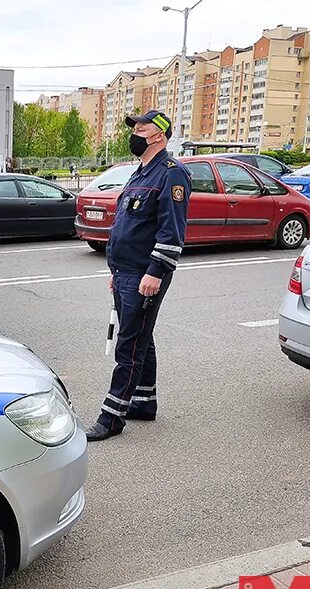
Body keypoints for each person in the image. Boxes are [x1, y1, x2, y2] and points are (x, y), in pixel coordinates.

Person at [85, 110, 191, 442]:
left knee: (129, 344)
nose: (134, 133)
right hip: (126, 271)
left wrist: (156, 271)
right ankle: (144, 401)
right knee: (142, 335)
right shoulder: (139, 173)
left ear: (158, 135)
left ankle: (112, 416)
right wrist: (117, 271)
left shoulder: (172, 175)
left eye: (140, 128)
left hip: (145, 273)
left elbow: (172, 231)